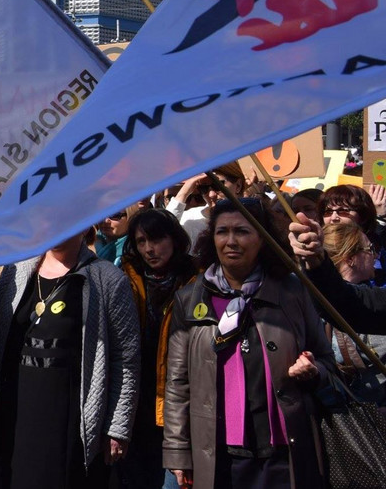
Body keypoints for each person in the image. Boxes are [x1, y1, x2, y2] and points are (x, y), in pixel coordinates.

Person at [163, 199, 334, 489]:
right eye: (222, 231)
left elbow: (327, 360)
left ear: (263, 238)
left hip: (283, 450)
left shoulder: (292, 291)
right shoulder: (190, 299)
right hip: (220, 454)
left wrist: (313, 369)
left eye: (242, 231)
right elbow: (178, 384)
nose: (231, 241)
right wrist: (178, 453)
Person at [0, 231, 140, 489]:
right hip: (11, 412)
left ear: (84, 225)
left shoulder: (107, 279)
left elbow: (126, 359)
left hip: (64, 420)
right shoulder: (17, 269)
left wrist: (117, 427)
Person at [116, 209, 198, 489]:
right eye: (141, 242)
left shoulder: (198, 279)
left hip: (178, 404)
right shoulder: (125, 277)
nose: (149, 249)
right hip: (136, 404)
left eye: (157, 239)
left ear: (174, 238)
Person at [316, 221, 386, 404]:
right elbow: (350, 303)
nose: (376, 254)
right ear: (350, 259)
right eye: (370, 249)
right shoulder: (320, 302)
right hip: (356, 411)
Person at [166, 164, 247, 251]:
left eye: (217, 186)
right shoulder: (188, 219)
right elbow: (161, 238)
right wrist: (183, 193)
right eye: (204, 188)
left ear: (238, 185)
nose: (211, 194)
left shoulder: (252, 217)